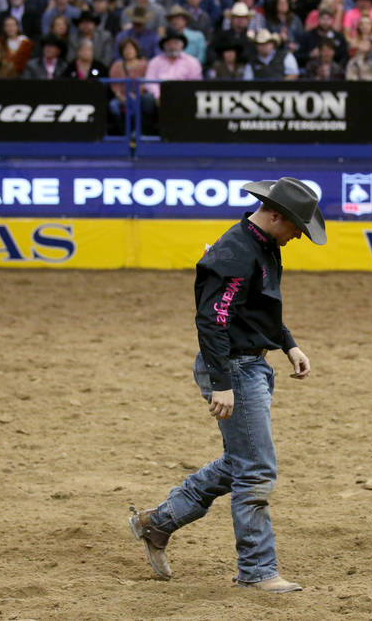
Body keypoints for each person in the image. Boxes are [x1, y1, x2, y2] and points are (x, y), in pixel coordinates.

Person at [129, 176, 325, 593]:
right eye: (296, 227)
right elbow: (213, 321)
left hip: (248, 363)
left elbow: (256, 308)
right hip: (234, 368)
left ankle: (157, 523)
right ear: (275, 216)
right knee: (255, 469)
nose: (297, 236)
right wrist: (222, 382)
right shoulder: (235, 253)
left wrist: (288, 345)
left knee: (241, 461)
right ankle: (257, 571)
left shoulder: (260, 245)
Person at [108, 37, 151, 133]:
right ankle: (122, 131)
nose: (128, 51)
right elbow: (114, 84)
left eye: (131, 49)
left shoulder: (144, 65)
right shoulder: (117, 65)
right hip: (121, 96)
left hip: (139, 95)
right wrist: (120, 96)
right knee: (113, 106)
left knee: (140, 105)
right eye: (126, 49)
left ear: (136, 50)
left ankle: (138, 131)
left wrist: (137, 95)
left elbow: (146, 82)